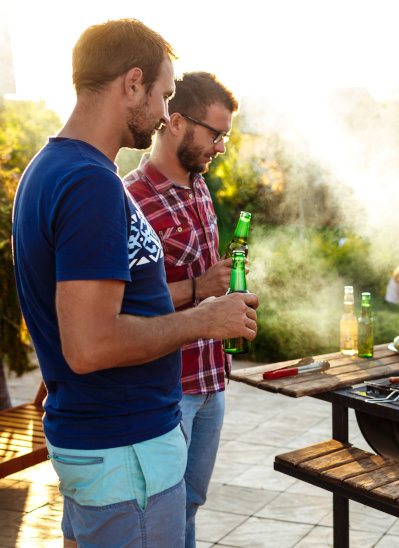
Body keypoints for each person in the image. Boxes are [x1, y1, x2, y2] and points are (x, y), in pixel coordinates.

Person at [11, 19, 258, 548]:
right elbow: (89, 344)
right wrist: (203, 318)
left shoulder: (55, 169)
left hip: (113, 452)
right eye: (165, 95)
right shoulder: (88, 184)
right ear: (132, 83)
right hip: (125, 454)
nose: (167, 114)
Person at [124, 71, 238, 548]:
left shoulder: (198, 186)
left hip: (212, 381)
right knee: (163, 515)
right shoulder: (131, 197)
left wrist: (224, 290)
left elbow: (205, 281)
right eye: (216, 135)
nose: (220, 148)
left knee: (190, 503)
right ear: (175, 122)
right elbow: (124, 303)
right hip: (171, 389)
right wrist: (198, 286)